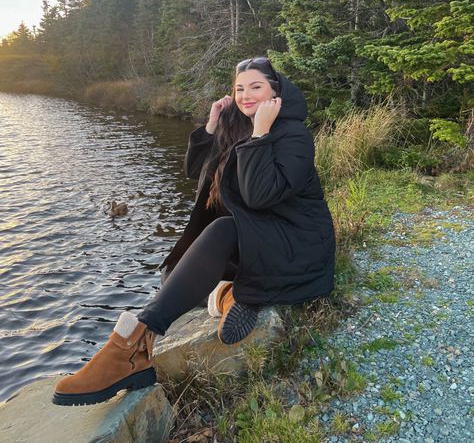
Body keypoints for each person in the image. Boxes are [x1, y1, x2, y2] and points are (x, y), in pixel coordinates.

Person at [52, 56, 336, 406]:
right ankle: (227, 295)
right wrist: (213, 126)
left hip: (298, 245)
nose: (246, 96)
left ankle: (128, 349)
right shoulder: (241, 125)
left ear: (276, 92)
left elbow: (260, 197)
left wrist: (261, 134)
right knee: (175, 273)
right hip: (262, 238)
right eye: (240, 88)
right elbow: (194, 172)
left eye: (256, 87)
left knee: (219, 232)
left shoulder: (293, 134)